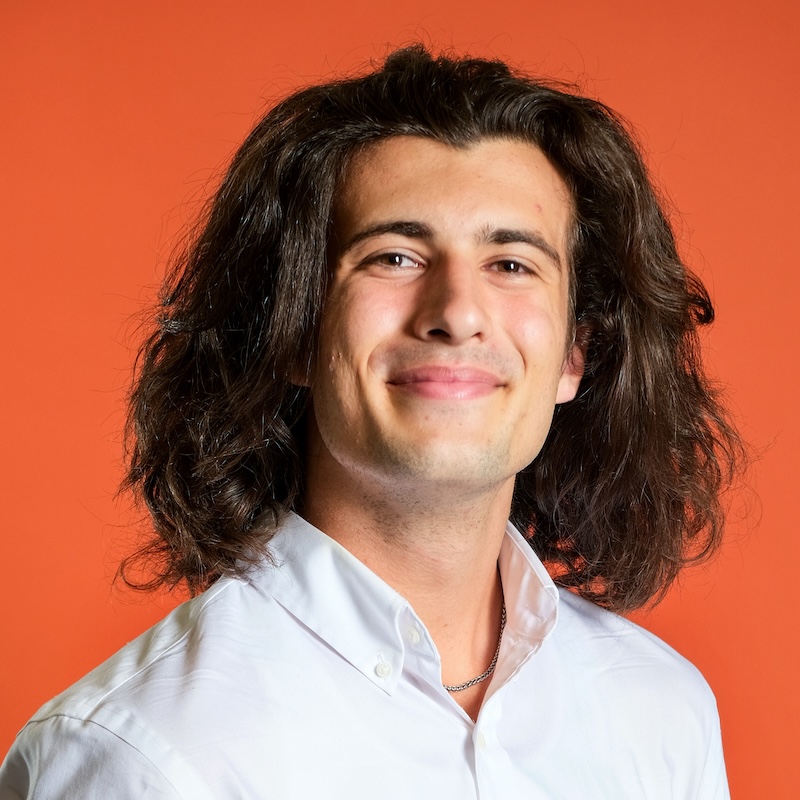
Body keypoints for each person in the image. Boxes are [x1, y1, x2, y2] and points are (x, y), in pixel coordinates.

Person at [0, 46, 743, 798]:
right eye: (394, 257)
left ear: (574, 354)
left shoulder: (662, 714)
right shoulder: (142, 755)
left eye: (511, 264)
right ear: (295, 333)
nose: (456, 312)